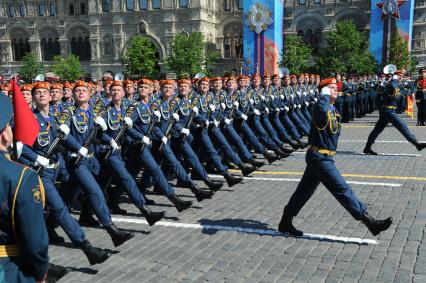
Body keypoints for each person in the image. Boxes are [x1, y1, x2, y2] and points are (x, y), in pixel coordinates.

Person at [278, 78, 393, 237]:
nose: (336, 90)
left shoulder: (332, 108)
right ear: (324, 92)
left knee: (303, 192)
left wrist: (327, 97)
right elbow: (319, 112)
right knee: (342, 188)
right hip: (319, 157)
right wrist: (323, 95)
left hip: (323, 157)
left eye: (336, 88)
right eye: (331, 88)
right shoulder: (321, 107)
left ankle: (285, 221)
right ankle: (369, 222)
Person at [0, 93, 49, 282]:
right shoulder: (22, 176)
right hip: (9, 268)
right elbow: (35, 243)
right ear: (5, 134)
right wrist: (40, 271)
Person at [363, 70, 426, 155]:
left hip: (388, 110)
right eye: (401, 76)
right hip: (388, 111)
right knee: (402, 126)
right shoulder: (391, 83)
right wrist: (394, 79)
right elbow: (393, 87)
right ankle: (416, 144)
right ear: (397, 76)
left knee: (377, 130)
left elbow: (400, 93)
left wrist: (410, 93)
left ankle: (367, 147)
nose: (402, 78)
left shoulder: (395, 84)